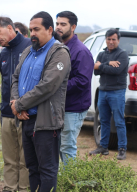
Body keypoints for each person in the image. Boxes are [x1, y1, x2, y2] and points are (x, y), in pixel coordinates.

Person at [10, 11, 71, 192]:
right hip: (26, 120)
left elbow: (47, 86)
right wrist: (15, 103)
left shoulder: (59, 53)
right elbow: (15, 77)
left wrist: (20, 105)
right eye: (30, 30)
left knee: (47, 170)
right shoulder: (28, 51)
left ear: (50, 29)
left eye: (37, 29)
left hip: (45, 123)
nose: (32, 34)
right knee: (32, 168)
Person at [0, 17, 31, 192]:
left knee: (25, 158)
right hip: (7, 113)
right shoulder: (3, 54)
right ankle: (9, 188)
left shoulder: (30, 47)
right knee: (9, 158)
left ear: (10, 28)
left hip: (27, 113)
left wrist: (24, 105)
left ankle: (24, 189)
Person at [56, 11, 94, 165]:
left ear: (73, 27)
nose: (59, 27)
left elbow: (82, 81)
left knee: (67, 147)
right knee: (58, 147)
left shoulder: (80, 51)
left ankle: (70, 183)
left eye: (63, 24)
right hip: (60, 106)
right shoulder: (59, 47)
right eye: (57, 23)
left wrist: (56, 88)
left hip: (73, 107)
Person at [89, 28, 129, 160]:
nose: (111, 42)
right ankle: (103, 147)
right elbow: (95, 71)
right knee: (104, 120)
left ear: (118, 40)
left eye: (113, 39)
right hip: (103, 91)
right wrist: (107, 64)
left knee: (118, 121)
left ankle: (122, 148)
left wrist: (100, 66)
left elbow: (115, 71)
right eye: (109, 39)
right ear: (106, 40)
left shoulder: (122, 54)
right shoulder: (101, 54)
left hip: (117, 91)